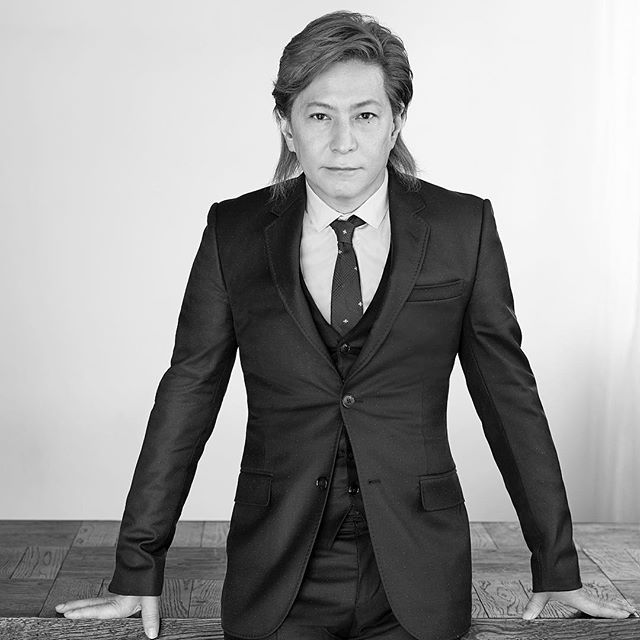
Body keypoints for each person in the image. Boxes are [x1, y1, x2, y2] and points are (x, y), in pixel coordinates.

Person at [55, 10, 637, 640]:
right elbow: (188, 393)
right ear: (287, 125)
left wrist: (556, 562)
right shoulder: (233, 231)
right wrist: (138, 568)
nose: (342, 142)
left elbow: (508, 398)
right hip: (276, 571)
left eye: (364, 115)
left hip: (420, 572)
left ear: (395, 122)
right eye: (318, 116)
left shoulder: (462, 228)